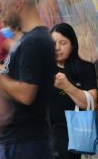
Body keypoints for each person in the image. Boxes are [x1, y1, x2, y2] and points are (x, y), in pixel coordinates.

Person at [0, 0, 56, 159]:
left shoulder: (33, 42)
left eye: (2, 10)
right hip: (21, 142)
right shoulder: (29, 39)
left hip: (24, 144)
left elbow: (26, 94)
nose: (1, 17)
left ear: (18, 5)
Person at [49, 23, 98, 159]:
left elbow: (92, 102)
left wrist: (67, 86)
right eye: (53, 43)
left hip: (74, 134)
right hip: (46, 135)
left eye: (63, 43)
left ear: (73, 44)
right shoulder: (45, 68)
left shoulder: (85, 68)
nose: (57, 48)